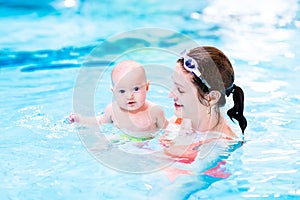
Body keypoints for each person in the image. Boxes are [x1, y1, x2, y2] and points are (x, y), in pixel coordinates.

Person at [69, 60, 168, 139]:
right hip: (123, 140)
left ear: (147, 87)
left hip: (149, 142)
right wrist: (81, 119)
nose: (129, 96)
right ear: (113, 92)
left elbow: (168, 129)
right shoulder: (112, 110)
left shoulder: (155, 111)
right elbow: (99, 122)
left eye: (136, 89)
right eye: (122, 91)